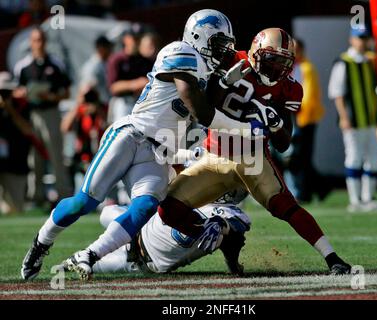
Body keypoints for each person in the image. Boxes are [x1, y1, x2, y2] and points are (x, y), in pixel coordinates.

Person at [21, 9, 264, 280]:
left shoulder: (206, 70)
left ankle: (90, 254)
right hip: (131, 135)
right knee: (84, 203)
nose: (223, 50)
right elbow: (198, 107)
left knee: (145, 207)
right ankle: (41, 243)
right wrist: (243, 128)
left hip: (159, 152)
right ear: (199, 36)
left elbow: (204, 100)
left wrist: (223, 83)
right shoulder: (180, 51)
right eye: (219, 42)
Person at [158, 28, 351, 275]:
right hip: (215, 156)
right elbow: (205, 107)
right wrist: (224, 81)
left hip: (253, 159)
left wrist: (276, 122)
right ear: (255, 53)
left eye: (283, 62)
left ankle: (332, 257)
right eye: (271, 60)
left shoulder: (288, 88)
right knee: (168, 209)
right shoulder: (230, 61)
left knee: (286, 205)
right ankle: (226, 238)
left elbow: (283, 143)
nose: (276, 69)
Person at [85, 187, 250, 275]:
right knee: (107, 212)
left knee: (87, 266)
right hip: (139, 229)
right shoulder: (198, 187)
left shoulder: (231, 215)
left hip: (141, 262)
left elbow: (234, 229)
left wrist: (221, 225)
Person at [14, 27, 72, 207]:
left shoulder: (55, 64)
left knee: (56, 155)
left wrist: (51, 97)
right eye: (35, 40)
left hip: (51, 113)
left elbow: (66, 92)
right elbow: (16, 91)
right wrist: (24, 93)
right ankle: (36, 197)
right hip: (32, 114)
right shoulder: (23, 66)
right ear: (31, 43)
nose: (38, 44)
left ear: (45, 42)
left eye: (41, 40)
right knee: (34, 158)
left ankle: (63, 195)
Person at [328, 25, 377, 212]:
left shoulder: (368, 61)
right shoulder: (343, 62)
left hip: (370, 120)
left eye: (365, 38)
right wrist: (344, 117)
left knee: (373, 159)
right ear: (352, 39)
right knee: (354, 157)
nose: (363, 42)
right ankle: (355, 200)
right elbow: (337, 93)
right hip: (353, 120)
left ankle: (367, 199)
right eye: (360, 38)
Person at [288, 38, 327, 203]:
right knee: (299, 157)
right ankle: (321, 186)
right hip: (296, 117)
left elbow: (308, 95)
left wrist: (295, 107)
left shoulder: (306, 68)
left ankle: (306, 192)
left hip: (305, 118)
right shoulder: (293, 68)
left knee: (301, 157)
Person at [106, 25, 152, 123]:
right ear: (126, 39)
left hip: (141, 103)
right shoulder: (117, 59)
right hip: (123, 103)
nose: (137, 41)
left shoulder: (145, 60)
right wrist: (135, 84)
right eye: (134, 38)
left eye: (139, 38)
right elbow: (113, 87)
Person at [0, 72, 31, 214]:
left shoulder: (22, 106)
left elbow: (27, 130)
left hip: (16, 164)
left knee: (14, 210)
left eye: (7, 91)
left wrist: (10, 109)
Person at [78, 35, 113, 106]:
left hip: (106, 104)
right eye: (108, 47)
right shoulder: (92, 66)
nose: (110, 50)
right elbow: (85, 90)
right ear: (101, 48)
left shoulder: (106, 63)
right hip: (96, 106)